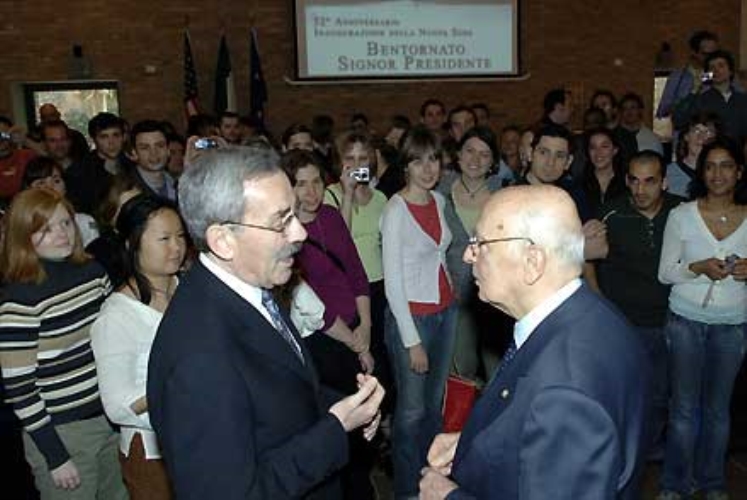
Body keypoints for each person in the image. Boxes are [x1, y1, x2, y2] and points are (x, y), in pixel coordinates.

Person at [146, 144, 384, 499]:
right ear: (224, 241)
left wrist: (350, 405)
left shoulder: (252, 288)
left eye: (294, 215)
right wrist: (335, 429)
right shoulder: (198, 357)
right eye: (281, 221)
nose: (300, 233)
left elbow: (285, 392)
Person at [419, 185, 650, 500]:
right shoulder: (593, 315)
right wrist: (472, 442)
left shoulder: (565, 392)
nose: (467, 255)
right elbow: (539, 433)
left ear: (532, 261)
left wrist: (447, 497)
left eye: (480, 244)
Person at [0, 188, 127, 500]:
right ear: (23, 236)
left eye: (66, 223)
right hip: (62, 432)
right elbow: (20, 388)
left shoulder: (93, 272)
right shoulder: (19, 299)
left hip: (110, 418)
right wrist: (55, 455)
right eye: (45, 229)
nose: (61, 234)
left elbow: (115, 342)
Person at [282, 149, 377, 499]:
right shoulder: (285, 233)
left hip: (355, 329)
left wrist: (366, 327)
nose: (311, 192)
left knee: (365, 426)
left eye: (316, 182)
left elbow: (356, 273)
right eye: (301, 184)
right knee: (338, 429)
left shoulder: (332, 216)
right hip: (324, 342)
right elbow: (313, 308)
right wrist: (355, 341)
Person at [657, 136, 747, 499]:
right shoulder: (681, 215)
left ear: (739, 172)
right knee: (683, 410)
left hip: (733, 324)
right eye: (710, 166)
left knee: (718, 412)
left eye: (726, 166)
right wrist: (697, 267)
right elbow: (665, 273)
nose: (717, 174)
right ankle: (674, 484)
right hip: (685, 322)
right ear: (701, 172)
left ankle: (712, 483)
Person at [91, 195, 185, 499]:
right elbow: (116, 406)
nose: (176, 247)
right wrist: (173, 384)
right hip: (153, 453)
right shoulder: (116, 316)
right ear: (132, 244)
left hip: (200, 434)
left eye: (180, 236)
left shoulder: (188, 289)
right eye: (164, 239)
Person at [381, 125, 457, 499]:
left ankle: (433, 482)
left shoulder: (439, 201)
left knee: (433, 406)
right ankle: (408, 490)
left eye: (433, 159)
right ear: (405, 166)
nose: (428, 169)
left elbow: (440, 256)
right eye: (418, 161)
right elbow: (393, 283)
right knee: (410, 414)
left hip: (445, 311)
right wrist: (412, 341)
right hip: (413, 319)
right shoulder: (395, 210)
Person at [597, 150, 685, 459]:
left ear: (664, 182)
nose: (640, 189)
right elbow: (583, 256)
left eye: (649, 181)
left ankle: (649, 450)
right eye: (634, 180)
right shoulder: (610, 213)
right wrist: (598, 301)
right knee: (621, 391)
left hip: (669, 319)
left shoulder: (681, 211)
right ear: (626, 180)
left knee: (661, 392)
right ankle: (620, 451)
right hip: (622, 321)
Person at [436, 126, 504, 382]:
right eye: (470, 151)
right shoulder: (439, 192)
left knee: (497, 371)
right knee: (461, 371)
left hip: (495, 296)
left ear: (493, 161)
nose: (475, 159)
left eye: (484, 154)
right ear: (458, 154)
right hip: (454, 296)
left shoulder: (504, 195)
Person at [21, 156, 99, 246]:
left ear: (65, 187)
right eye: (41, 183)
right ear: (28, 190)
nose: (50, 187)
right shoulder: (22, 226)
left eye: (56, 181)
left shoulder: (85, 222)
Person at [666, 112, 720, 198]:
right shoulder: (667, 173)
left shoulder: (721, 175)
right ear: (686, 136)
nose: (701, 137)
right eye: (696, 130)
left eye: (708, 132)